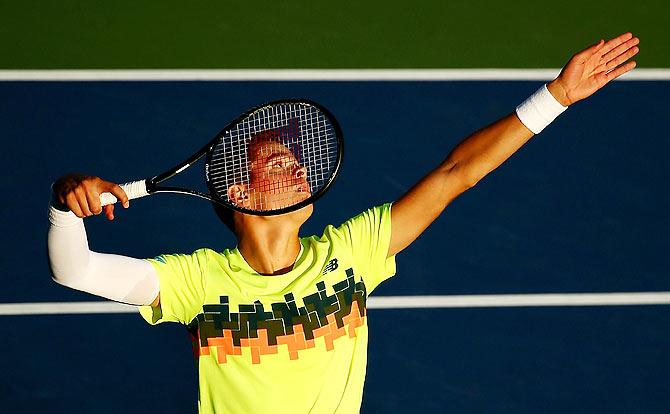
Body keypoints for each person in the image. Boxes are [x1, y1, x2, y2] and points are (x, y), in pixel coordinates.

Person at [47, 33, 639, 413]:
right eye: (277, 161)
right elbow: (74, 270)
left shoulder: (352, 253)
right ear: (237, 191)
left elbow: (457, 173)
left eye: (299, 164)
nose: (298, 168)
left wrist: (556, 97)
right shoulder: (198, 282)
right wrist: (64, 203)